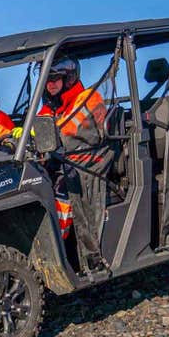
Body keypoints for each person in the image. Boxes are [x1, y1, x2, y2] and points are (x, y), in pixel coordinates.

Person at [40, 56, 109, 273]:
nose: (50, 85)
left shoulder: (88, 98)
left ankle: (81, 258)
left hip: (87, 164)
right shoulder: (51, 106)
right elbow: (36, 131)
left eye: (55, 79)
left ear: (68, 78)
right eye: (47, 80)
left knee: (61, 190)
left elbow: (71, 134)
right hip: (62, 164)